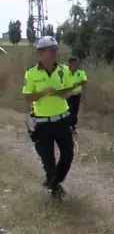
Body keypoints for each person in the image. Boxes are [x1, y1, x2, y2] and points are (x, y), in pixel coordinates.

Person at [22, 36, 79, 198]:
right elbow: (27, 98)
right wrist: (43, 92)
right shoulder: (31, 73)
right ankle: (55, 190)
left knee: (68, 155)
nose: (54, 53)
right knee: (48, 161)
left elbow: (69, 90)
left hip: (62, 120)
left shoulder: (64, 70)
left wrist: (64, 93)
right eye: (51, 50)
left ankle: (54, 183)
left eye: (55, 50)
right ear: (41, 52)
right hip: (43, 124)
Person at [66, 56, 88, 134]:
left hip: (76, 95)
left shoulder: (80, 71)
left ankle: (73, 127)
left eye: (76, 63)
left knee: (75, 112)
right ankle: (67, 127)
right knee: (68, 111)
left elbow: (85, 81)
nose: (75, 65)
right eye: (74, 63)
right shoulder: (65, 71)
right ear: (70, 63)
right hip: (67, 95)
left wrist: (78, 83)